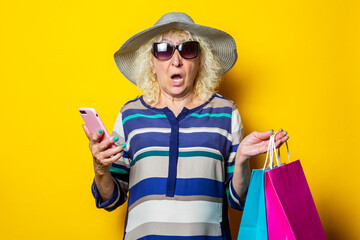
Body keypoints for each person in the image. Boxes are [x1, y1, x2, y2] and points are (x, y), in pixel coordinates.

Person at [82, 12, 289, 240]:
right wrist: (100, 169)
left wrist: (241, 160)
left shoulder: (226, 112)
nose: (176, 60)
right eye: (163, 50)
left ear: (200, 61)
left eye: (187, 50)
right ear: (151, 63)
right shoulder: (130, 115)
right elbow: (112, 198)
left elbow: (238, 200)